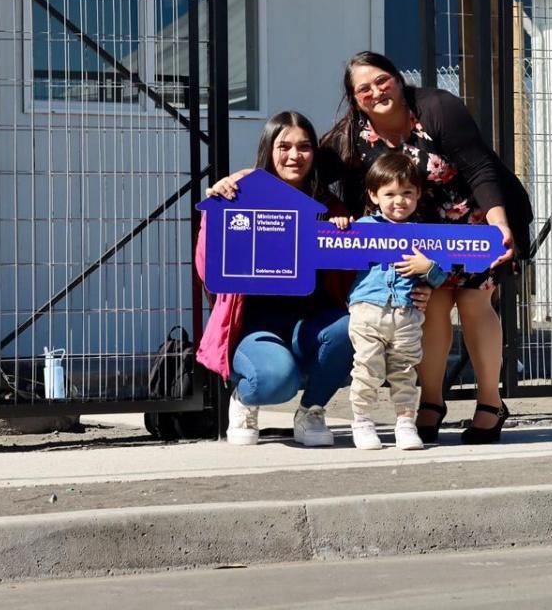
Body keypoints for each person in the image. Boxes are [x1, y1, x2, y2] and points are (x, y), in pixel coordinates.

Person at [320, 51, 533, 445]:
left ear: (398, 80)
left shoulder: (437, 108)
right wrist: (248, 180)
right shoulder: (351, 136)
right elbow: (307, 171)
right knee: (430, 306)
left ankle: (490, 402)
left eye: (382, 80)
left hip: (476, 221)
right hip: (415, 236)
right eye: (364, 88)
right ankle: (430, 403)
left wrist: (499, 221)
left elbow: (479, 167)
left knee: (474, 303)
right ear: (354, 99)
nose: (376, 91)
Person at [196, 111, 352, 447]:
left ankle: (311, 412)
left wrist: (343, 233)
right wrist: (218, 209)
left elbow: (355, 268)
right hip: (255, 326)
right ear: (269, 149)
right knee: (277, 379)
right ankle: (244, 399)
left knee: (352, 329)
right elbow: (208, 269)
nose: (294, 156)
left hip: (311, 324)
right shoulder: (239, 196)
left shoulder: (330, 206)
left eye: (304, 147)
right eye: (285, 146)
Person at [334, 152, 447, 451]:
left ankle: (405, 424)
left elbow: (440, 277)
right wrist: (341, 223)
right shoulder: (363, 226)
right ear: (374, 195)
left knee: (405, 371)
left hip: (407, 314)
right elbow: (336, 248)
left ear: (418, 194)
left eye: (407, 193)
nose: (400, 201)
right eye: (390, 194)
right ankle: (362, 421)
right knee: (367, 368)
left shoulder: (426, 235)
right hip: (368, 311)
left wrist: (429, 270)